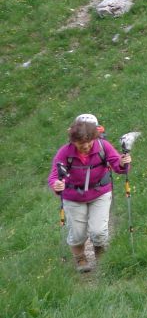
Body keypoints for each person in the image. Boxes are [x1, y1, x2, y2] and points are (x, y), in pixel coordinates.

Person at [48, 114, 132, 271]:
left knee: (99, 231)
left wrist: (122, 162)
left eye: (88, 142)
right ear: (73, 141)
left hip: (100, 193)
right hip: (73, 197)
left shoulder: (103, 146)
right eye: (81, 144)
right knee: (78, 233)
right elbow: (54, 176)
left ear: (94, 137)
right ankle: (80, 258)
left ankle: (99, 252)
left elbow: (118, 166)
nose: (86, 146)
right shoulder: (65, 152)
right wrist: (56, 184)